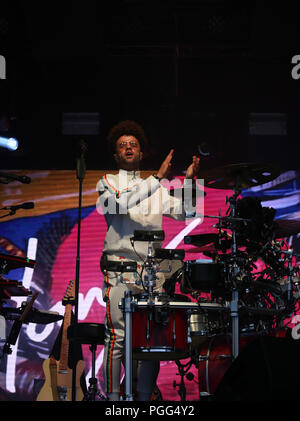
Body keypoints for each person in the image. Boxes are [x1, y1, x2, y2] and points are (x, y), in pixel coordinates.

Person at [97, 120, 200, 401]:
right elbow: (120, 203)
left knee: (152, 341)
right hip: (119, 268)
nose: (128, 148)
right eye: (122, 146)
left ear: (141, 153)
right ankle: (114, 399)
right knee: (118, 338)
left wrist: (191, 182)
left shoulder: (155, 189)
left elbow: (188, 213)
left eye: (133, 144)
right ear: (116, 156)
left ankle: (144, 399)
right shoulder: (107, 182)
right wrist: (157, 178)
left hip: (152, 273)